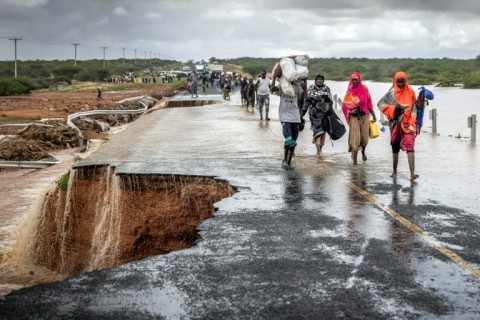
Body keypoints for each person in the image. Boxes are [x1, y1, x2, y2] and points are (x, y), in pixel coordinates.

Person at [377, 71, 418, 180]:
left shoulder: (411, 92)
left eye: (402, 82)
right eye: (398, 82)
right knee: (395, 147)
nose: (400, 84)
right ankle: (394, 171)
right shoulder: (391, 93)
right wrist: (395, 108)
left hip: (409, 123)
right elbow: (381, 104)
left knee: (410, 146)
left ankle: (412, 173)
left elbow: (414, 107)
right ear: (395, 81)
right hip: (395, 123)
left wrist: (415, 122)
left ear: (406, 81)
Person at [341, 72, 376, 165]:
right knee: (355, 138)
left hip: (365, 116)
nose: (355, 81)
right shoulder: (349, 91)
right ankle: (355, 159)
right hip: (354, 117)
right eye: (353, 80)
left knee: (364, 138)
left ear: (359, 79)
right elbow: (344, 106)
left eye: (356, 79)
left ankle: (363, 151)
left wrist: (373, 113)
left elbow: (369, 101)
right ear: (351, 80)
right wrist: (351, 111)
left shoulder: (365, 88)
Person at [276, 79, 305, 170]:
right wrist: (273, 79)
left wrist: (306, 81)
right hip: (285, 117)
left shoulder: (297, 87)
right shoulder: (282, 85)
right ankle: (284, 160)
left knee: (293, 142)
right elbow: (272, 89)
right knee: (288, 140)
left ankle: (288, 162)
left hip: (295, 117)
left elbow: (305, 96)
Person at [305, 74, 333, 157]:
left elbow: (330, 101)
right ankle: (318, 151)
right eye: (318, 79)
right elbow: (307, 100)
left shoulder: (327, 88)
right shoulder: (311, 88)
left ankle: (320, 150)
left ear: (323, 80)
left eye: (321, 79)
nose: (320, 80)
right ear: (315, 80)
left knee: (323, 133)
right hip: (314, 115)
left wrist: (330, 111)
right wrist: (307, 109)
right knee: (317, 132)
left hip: (325, 114)